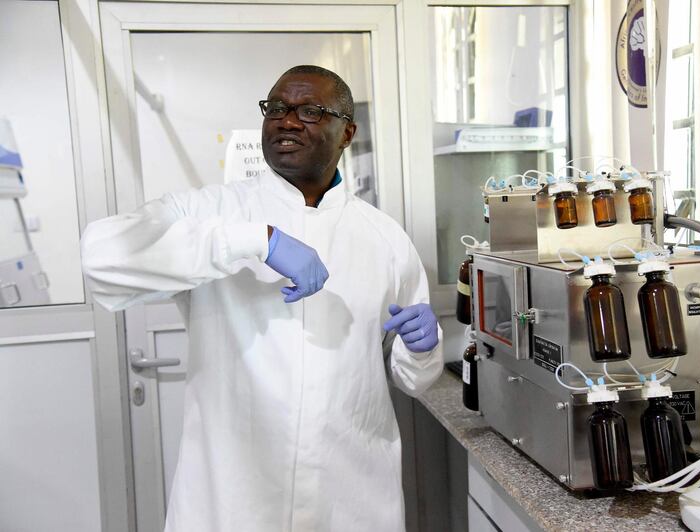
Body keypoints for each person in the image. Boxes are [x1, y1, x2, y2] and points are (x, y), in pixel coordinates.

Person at [81, 65, 443, 532]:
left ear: (347, 132)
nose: (287, 121)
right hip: (234, 497)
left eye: (310, 111)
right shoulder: (212, 211)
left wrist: (423, 348)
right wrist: (257, 239)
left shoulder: (385, 239)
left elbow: (413, 380)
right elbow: (103, 257)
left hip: (351, 495)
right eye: (276, 108)